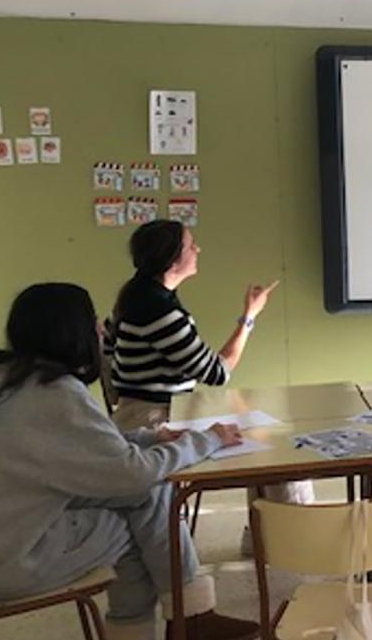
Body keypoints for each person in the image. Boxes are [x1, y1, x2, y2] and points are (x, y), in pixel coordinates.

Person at [0, 284, 259, 640]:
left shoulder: (13, 386)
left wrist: (153, 439)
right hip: (3, 561)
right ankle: (166, 635)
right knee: (137, 515)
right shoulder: (54, 396)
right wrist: (205, 440)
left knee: (145, 494)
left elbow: (90, 452)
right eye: (93, 323)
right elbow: (131, 473)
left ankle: (160, 638)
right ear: (71, 333)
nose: (101, 331)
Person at [106, 220, 310, 551]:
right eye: (191, 246)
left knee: (262, 436)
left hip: (148, 412)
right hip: (156, 421)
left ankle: (266, 539)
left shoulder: (135, 295)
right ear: (172, 260)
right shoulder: (160, 311)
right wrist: (249, 318)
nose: (198, 250)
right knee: (278, 448)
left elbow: (109, 354)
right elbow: (217, 372)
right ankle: (292, 541)